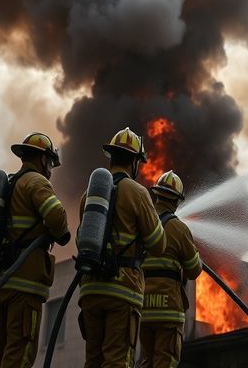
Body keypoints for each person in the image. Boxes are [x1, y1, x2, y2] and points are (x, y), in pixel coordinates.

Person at [78, 126, 166, 367]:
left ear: (112, 156)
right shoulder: (138, 193)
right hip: (122, 290)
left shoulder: (89, 195)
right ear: (135, 162)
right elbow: (158, 244)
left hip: (90, 290)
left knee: (93, 361)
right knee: (117, 361)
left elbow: (80, 238)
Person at [0, 132, 70, 368]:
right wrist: (61, 233)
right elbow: (57, 218)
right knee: (20, 351)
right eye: (50, 162)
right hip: (23, 281)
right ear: (43, 159)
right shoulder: (36, 181)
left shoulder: (10, 184)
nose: (51, 168)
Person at [139, 171, 202, 368]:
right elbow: (194, 270)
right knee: (165, 362)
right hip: (168, 311)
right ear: (177, 202)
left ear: (157, 195)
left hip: (142, 307)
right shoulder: (179, 229)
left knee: (146, 361)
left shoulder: (142, 222)